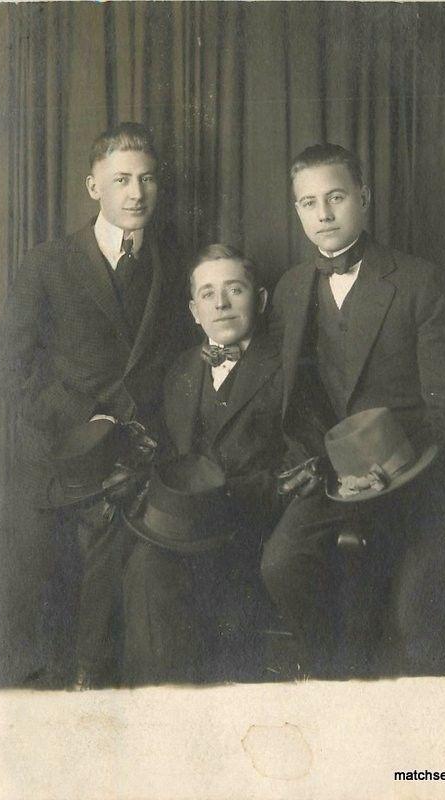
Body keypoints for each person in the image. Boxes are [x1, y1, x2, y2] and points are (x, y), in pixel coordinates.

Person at [262, 143, 445, 676]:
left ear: (364, 197)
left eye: (336, 197)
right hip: (336, 480)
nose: (324, 214)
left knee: (419, 622)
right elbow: (296, 400)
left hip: (419, 477)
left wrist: (395, 468)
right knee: (281, 565)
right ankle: (337, 685)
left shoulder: (420, 281)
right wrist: (316, 463)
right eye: (309, 203)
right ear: (297, 212)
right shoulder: (291, 289)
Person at [0, 121, 183, 687]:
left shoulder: (174, 266)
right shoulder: (48, 263)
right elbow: (7, 365)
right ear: (93, 186)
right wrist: (81, 422)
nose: (136, 193)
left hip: (142, 463)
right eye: (121, 179)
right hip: (62, 462)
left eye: (146, 179)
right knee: (52, 610)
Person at [121, 243, 327, 684]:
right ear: (194, 311)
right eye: (209, 294)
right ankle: (157, 715)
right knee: (144, 568)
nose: (221, 303)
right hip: (188, 531)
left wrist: (250, 491)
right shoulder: (179, 371)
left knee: (224, 623)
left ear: (262, 300)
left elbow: (303, 459)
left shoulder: (288, 369)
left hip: (251, 529)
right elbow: (169, 456)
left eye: (235, 289)